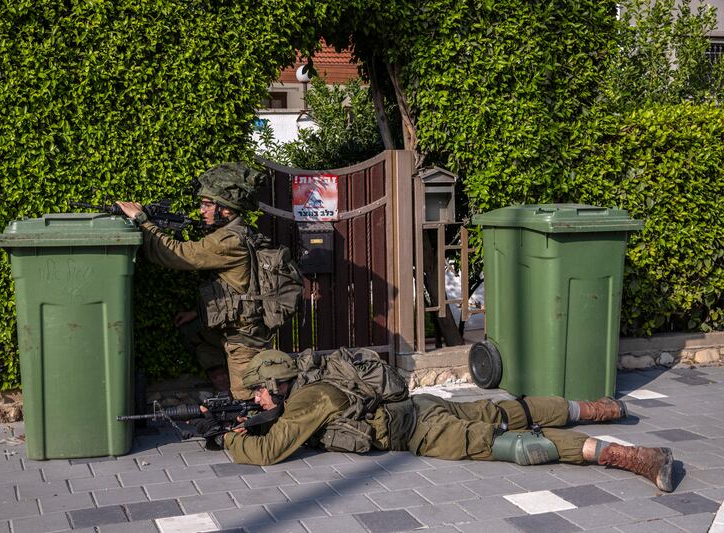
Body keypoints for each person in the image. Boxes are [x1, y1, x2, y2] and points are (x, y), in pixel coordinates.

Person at [218, 349, 675, 492]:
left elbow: (270, 451)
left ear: (277, 382)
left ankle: (634, 457)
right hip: (423, 406)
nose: (257, 398)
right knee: (509, 409)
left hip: (426, 433)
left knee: (518, 444)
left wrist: (229, 440)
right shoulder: (316, 378)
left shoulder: (306, 400)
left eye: (258, 390)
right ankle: (601, 408)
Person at [117, 162, 272, 400]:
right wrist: (198, 313)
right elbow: (233, 289)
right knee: (194, 332)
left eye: (207, 204)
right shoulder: (233, 232)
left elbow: (179, 254)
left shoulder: (229, 241)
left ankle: (248, 427)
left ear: (227, 209)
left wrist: (142, 220)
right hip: (235, 329)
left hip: (243, 339)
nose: (201, 210)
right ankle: (229, 400)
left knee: (248, 401)